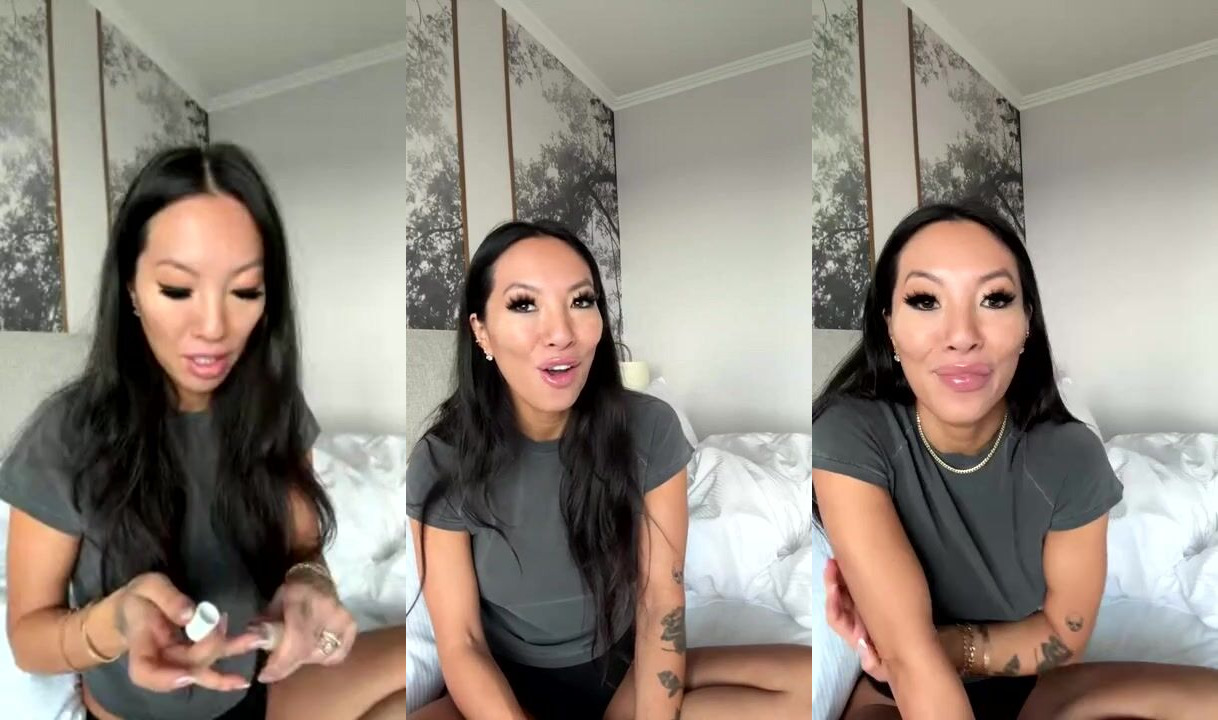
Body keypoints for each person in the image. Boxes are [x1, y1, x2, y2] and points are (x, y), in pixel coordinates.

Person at [1, 144, 407, 720]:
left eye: (245, 291)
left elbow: (303, 548)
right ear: (131, 288)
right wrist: (115, 621)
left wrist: (310, 586)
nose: (214, 328)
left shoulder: (272, 408)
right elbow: (28, 639)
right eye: (177, 290)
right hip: (134, 715)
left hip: (256, 688)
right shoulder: (67, 433)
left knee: (425, 669)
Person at [810, 201, 1218, 720]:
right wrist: (915, 650)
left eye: (994, 298)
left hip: (1028, 684)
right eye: (925, 300)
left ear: (1027, 323)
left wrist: (952, 647)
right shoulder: (850, 434)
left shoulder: (1071, 456)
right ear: (888, 325)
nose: (962, 335)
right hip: (896, 695)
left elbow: (1063, 636)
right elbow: (909, 659)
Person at [407, 220, 812, 720]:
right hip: (503, 689)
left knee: (810, 683)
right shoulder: (441, 460)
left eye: (581, 301)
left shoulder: (650, 428)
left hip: (626, 675)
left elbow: (660, 600)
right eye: (524, 304)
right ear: (481, 331)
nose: (562, 333)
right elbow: (462, 642)